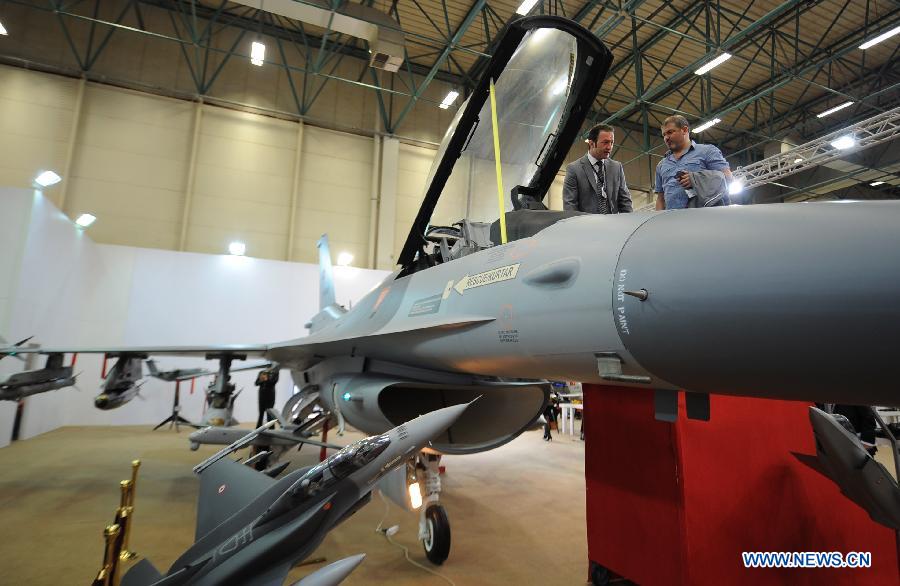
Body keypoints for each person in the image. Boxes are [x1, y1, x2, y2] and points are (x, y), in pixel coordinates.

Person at [654, 115, 732, 210]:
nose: (666, 138)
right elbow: (660, 199)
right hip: (674, 220)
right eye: (664, 135)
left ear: (685, 130)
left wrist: (695, 179)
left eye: (670, 132)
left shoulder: (707, 151)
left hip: (705, 217)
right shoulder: (661, 165)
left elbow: (728, 178)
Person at [563, 123, 633, 214]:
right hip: (587, 226)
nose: (609, 147)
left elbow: (625, 202)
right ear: (592, 143)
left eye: (611, 142)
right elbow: (570, 206)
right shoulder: (574, 169)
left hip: (613, 226)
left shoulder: (617, 167)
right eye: (605, 142)